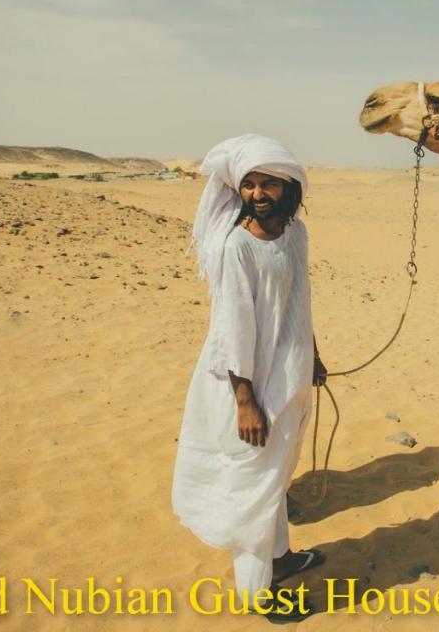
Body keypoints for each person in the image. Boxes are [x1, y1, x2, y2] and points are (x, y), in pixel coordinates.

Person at [172, 133, 327, 622]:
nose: (258, 194)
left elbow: (299, 301)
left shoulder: (296, 234)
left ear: (289, 188)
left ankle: (280, 559)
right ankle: (259, 593)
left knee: (275, 478)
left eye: (268, 184)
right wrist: (245, 400)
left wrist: (314, 355)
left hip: (292, 377)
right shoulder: (238, 246)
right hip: (252, 385)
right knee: (255, 486)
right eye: (249, 185)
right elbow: (233, 328)